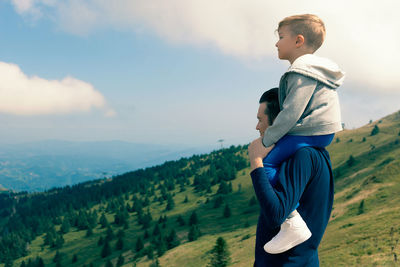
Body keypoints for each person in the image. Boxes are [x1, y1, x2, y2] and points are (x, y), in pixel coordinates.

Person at [260, 14, 345, 254]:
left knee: (265, 164)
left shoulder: (302, 70)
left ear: (298, 40)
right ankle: (291, 218)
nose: (277, 43)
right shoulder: (317, 69)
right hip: (320, 132)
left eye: (281, 37)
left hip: (310, 131)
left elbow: (291, 113)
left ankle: (291, 221)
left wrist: (268, 140)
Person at [248, 88, 334, 266]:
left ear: (279, 121)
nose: (257, 127)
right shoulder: (315, 155)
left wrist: (256, 161)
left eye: (260, 120)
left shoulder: (303, 157)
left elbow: (275, 214)